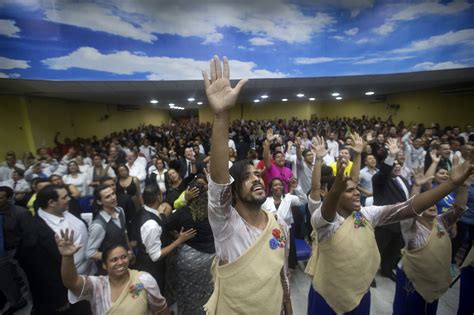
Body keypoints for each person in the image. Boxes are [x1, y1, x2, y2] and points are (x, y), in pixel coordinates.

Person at [305, 134, 473, 314]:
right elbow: (326, 206)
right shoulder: (323, 222)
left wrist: (452, 184)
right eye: (349, 191)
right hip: (328, 296)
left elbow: (409, 207)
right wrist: (335, 185)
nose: (357, 193)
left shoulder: (366, 214)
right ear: (334, 194)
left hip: (359, 293)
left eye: (356, 189)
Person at [202, 56, 291, 314]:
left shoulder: (279, 225)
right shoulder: (225, 223)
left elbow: (283, 276)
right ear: (234, 191)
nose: (257, 179)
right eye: (248, 176)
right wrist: (221, 116)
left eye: (258, 174)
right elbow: (218, 182)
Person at [393, 159, 470, 315]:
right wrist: (417, 186)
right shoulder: (411, 227)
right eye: (427, 204)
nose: (432, 205)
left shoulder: (440, 222)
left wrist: (463, 186)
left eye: (434, 203)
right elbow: (409, 209)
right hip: (411, 282)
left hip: (433, 282)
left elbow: (458, 210)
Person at [18, 185, 92, 314]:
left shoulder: (66, 208)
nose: (69, 199)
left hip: (86, 280)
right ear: (51, 203)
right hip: (65, 294)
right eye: (64, 197)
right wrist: (59, 300)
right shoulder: (35, 232)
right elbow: (40, 274)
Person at [57, 232, 170, 315]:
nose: (120, 262)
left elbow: (161, 310)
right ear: (104, 265)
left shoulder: (144, 280)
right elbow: (71, 282)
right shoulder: (98, 285)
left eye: (124, 257)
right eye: (114, 260)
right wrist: (67, 257)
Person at [135, 185, 196, 293]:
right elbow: (156, 255)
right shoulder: (151, 225)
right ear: (158, 197)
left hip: (148, 264)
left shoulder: (145, 211)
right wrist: (179, 240)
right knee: (155, 294)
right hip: (152, 270)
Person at [373, 138, 411, 281]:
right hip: (385, 222)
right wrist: (391, 157)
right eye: (393, 165)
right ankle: (369, 275)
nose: (397, 166)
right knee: (377, 250)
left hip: (401, 223)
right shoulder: (380, 180)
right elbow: (383, 171)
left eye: (399, 164)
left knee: (393, 250)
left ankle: (387, 270)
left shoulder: (404, 180)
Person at [0, 186, 30, 314]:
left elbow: (28, 234)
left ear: (9, 198)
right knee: (5, 281)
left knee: (26, 278)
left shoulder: (20, 213)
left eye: (0, 198)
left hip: (16, 251)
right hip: (1, 253)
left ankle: (32, 303)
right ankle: (16, 301)